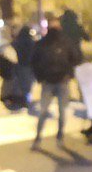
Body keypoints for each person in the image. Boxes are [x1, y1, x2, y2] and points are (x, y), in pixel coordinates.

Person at [30, 17, 80, 148]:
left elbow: (75, 59)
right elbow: (35, 61)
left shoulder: (65, 43)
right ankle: (38, 138)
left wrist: (69, 74)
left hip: (61, 82)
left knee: (61, 112)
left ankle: (59, 136)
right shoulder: (43, 44)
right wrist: (40, 77)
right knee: (44, 111)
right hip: (49, 82)